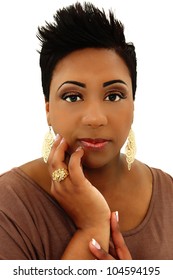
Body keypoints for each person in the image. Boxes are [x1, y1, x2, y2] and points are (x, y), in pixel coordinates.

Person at [0, 2, 173, 260]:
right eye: (72, 97)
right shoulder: (8, 204)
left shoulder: (168, 194)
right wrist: (92, 226)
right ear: (48, 108)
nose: (95, 118)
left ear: (133, 106)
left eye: (113, 96)